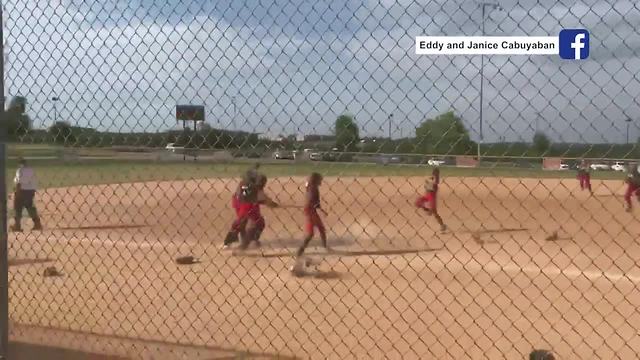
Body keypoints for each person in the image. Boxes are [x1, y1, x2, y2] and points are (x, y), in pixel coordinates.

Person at [291, 172, 329, 273]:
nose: (321, 182)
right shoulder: (313, 188)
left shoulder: (311, 186)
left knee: (320, 228)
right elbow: (314, 201)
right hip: (310, 210)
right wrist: (318, 208)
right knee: (312, 232)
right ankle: (300, 250)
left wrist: (320, 210)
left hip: (310, 209)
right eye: (320, 180)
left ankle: (324, 246)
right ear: (316, 180)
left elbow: (315, 202)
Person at [236, 174, 279, 251]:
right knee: (255, 223)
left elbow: (259, 197)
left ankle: (248, 240)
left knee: (247, 221)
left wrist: (268, 203)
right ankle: (244, 244)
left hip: (242, 203)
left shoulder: (247, 184)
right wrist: (271, 204)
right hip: (245, 204)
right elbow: (261, 197)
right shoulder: (250, 186)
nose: (262, 185)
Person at [222, 166, 260, 249]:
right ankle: (229, 240)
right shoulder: (245, 185)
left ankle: (250, 239)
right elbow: (247, 196)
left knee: (258, 221)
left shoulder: (252, 185)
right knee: (242, 221)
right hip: (241, 203)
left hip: (246, 203)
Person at [11, 158, 42, 232]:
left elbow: (19, 182)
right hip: (30, 191)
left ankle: (17, 225)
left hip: (21, 191)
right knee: (30, 207)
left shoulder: (20, 170)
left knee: (18, 208)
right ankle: (37, 224)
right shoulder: (31, 170)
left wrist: (17, 192)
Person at [415, 167, 447, 232]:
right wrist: (428, 182)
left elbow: (434, 183)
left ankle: (442, 225)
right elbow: (427, 186)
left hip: (432, 197)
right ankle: (427, 209)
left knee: (435, 213)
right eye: (435, 173)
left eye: (437, 173)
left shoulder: (436, 180)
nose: (436, 174)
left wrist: (429, 182)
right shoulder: (430, 178)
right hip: (426, 196)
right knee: (417, 202)